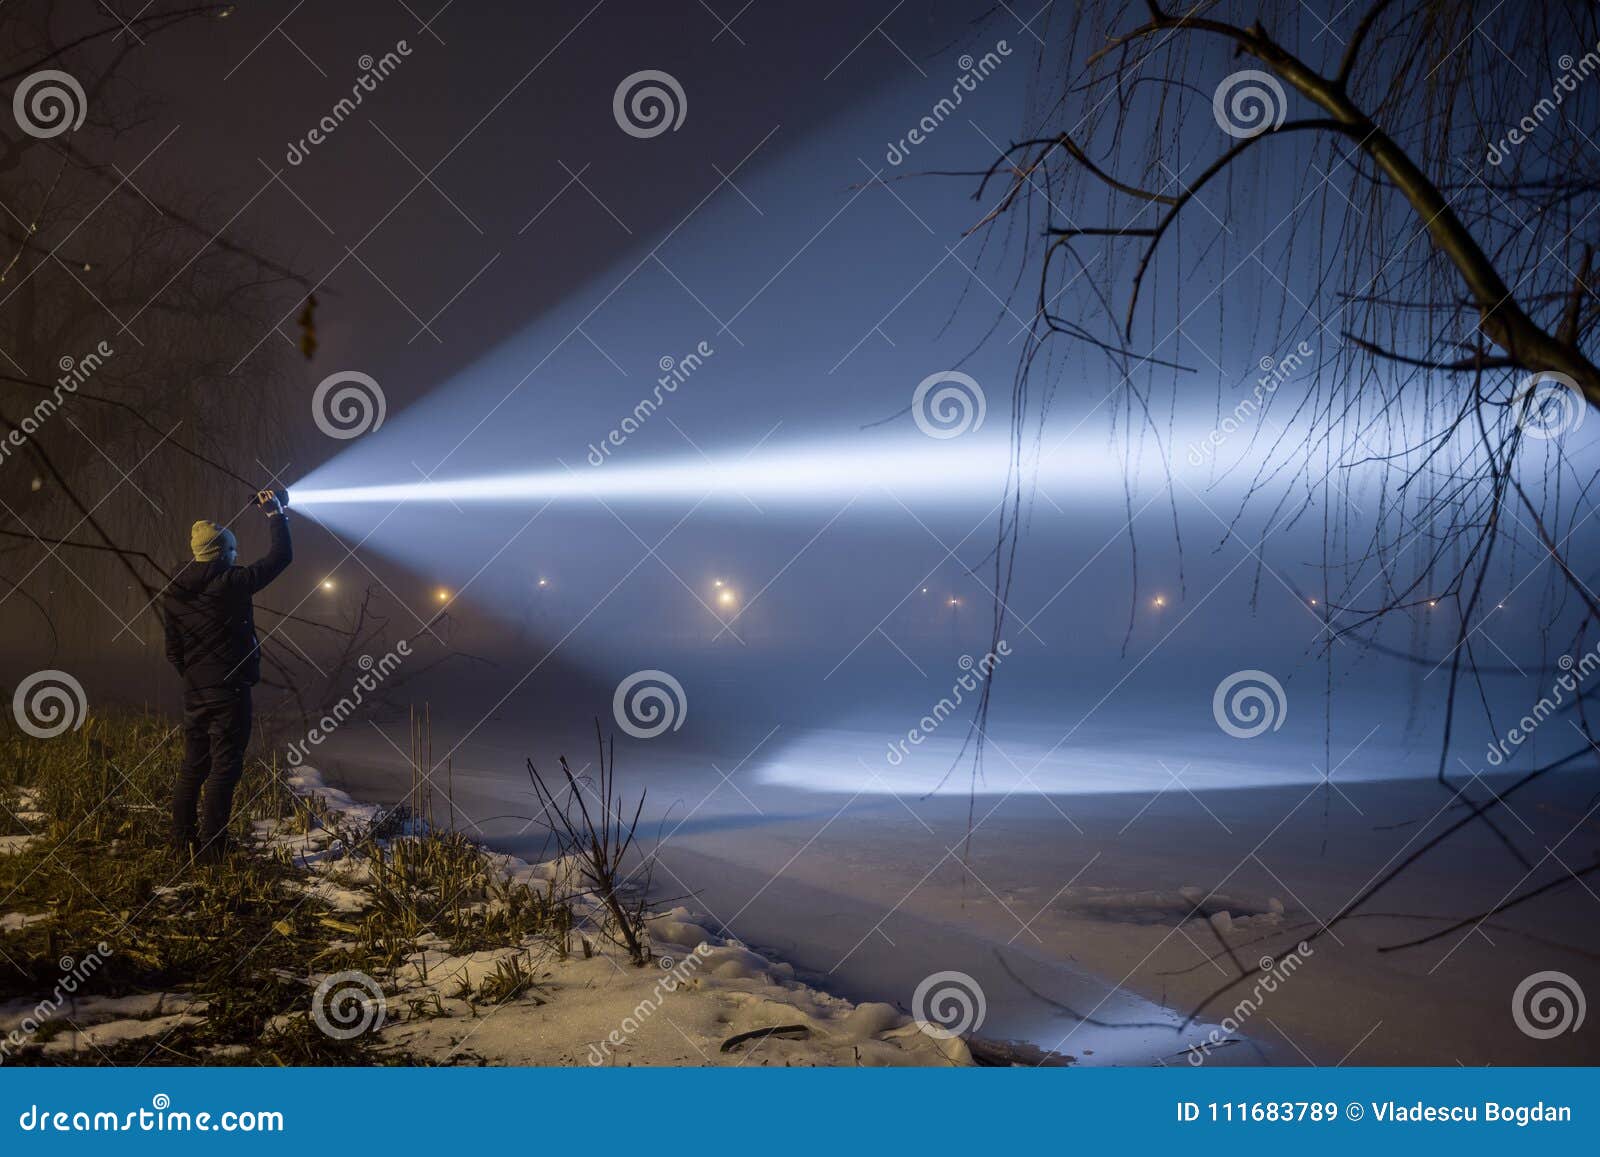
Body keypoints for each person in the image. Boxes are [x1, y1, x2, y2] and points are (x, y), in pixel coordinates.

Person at [161, 491, 292, 861]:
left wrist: (196, 676)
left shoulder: (174, 593)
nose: (237, 557)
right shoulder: (231, 582)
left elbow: (173, 650)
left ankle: (181, 840)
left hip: (196, 690)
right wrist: (275, 515)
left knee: (194, 764)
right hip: (230, 689)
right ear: (223, 553)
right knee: (225, 767)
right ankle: (212, 848)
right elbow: (281, 557)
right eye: (232, 551)